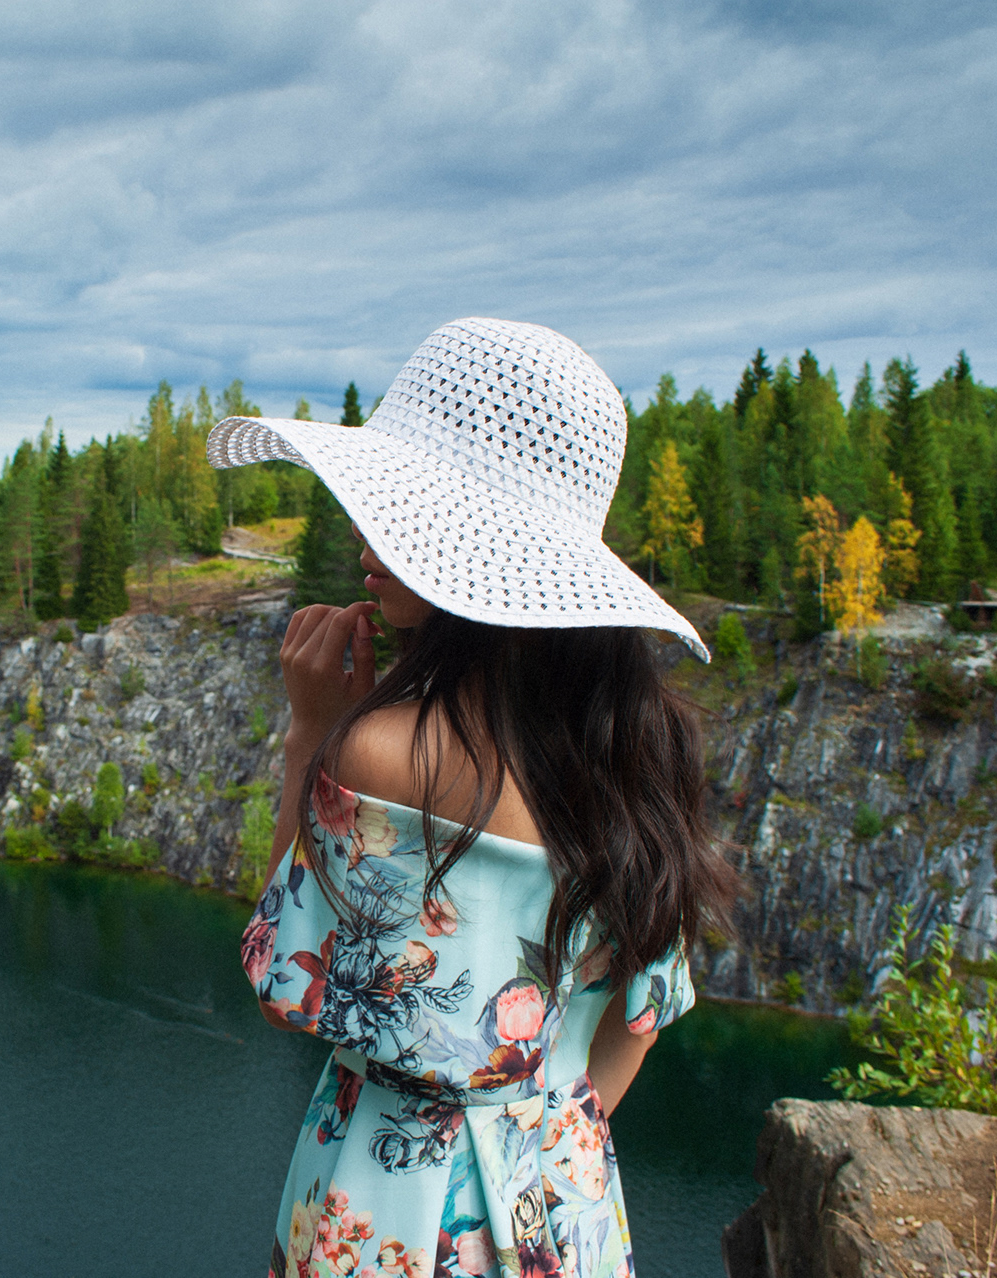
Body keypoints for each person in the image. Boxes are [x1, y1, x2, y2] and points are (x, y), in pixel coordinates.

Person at [208, 318, 739, 1278]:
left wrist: (309, 734)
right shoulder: (643, 751)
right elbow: (640, 1022)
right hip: (569, 1210)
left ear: (472, 542)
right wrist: (532, 1137)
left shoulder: (379, 751)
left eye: (398, 506)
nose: (363, 533)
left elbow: (285, 982)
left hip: (389, 1217)